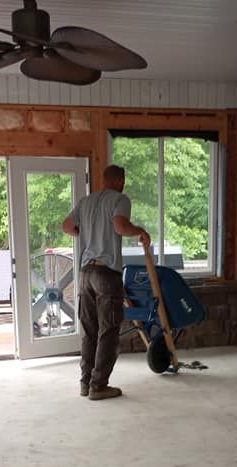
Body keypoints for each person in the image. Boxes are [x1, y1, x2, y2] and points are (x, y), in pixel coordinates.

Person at [62, 164, 151, 401]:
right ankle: (99, 386)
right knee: (108, 331)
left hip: (85, 274)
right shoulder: (120, 199)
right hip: (106, 274)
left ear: (103, 180)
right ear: (120, 180)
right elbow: (120, 227)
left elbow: (67, 226)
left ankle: (85, 383)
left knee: (89, 331)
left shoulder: (86, 201)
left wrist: (88, 235)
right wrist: (141, 231)